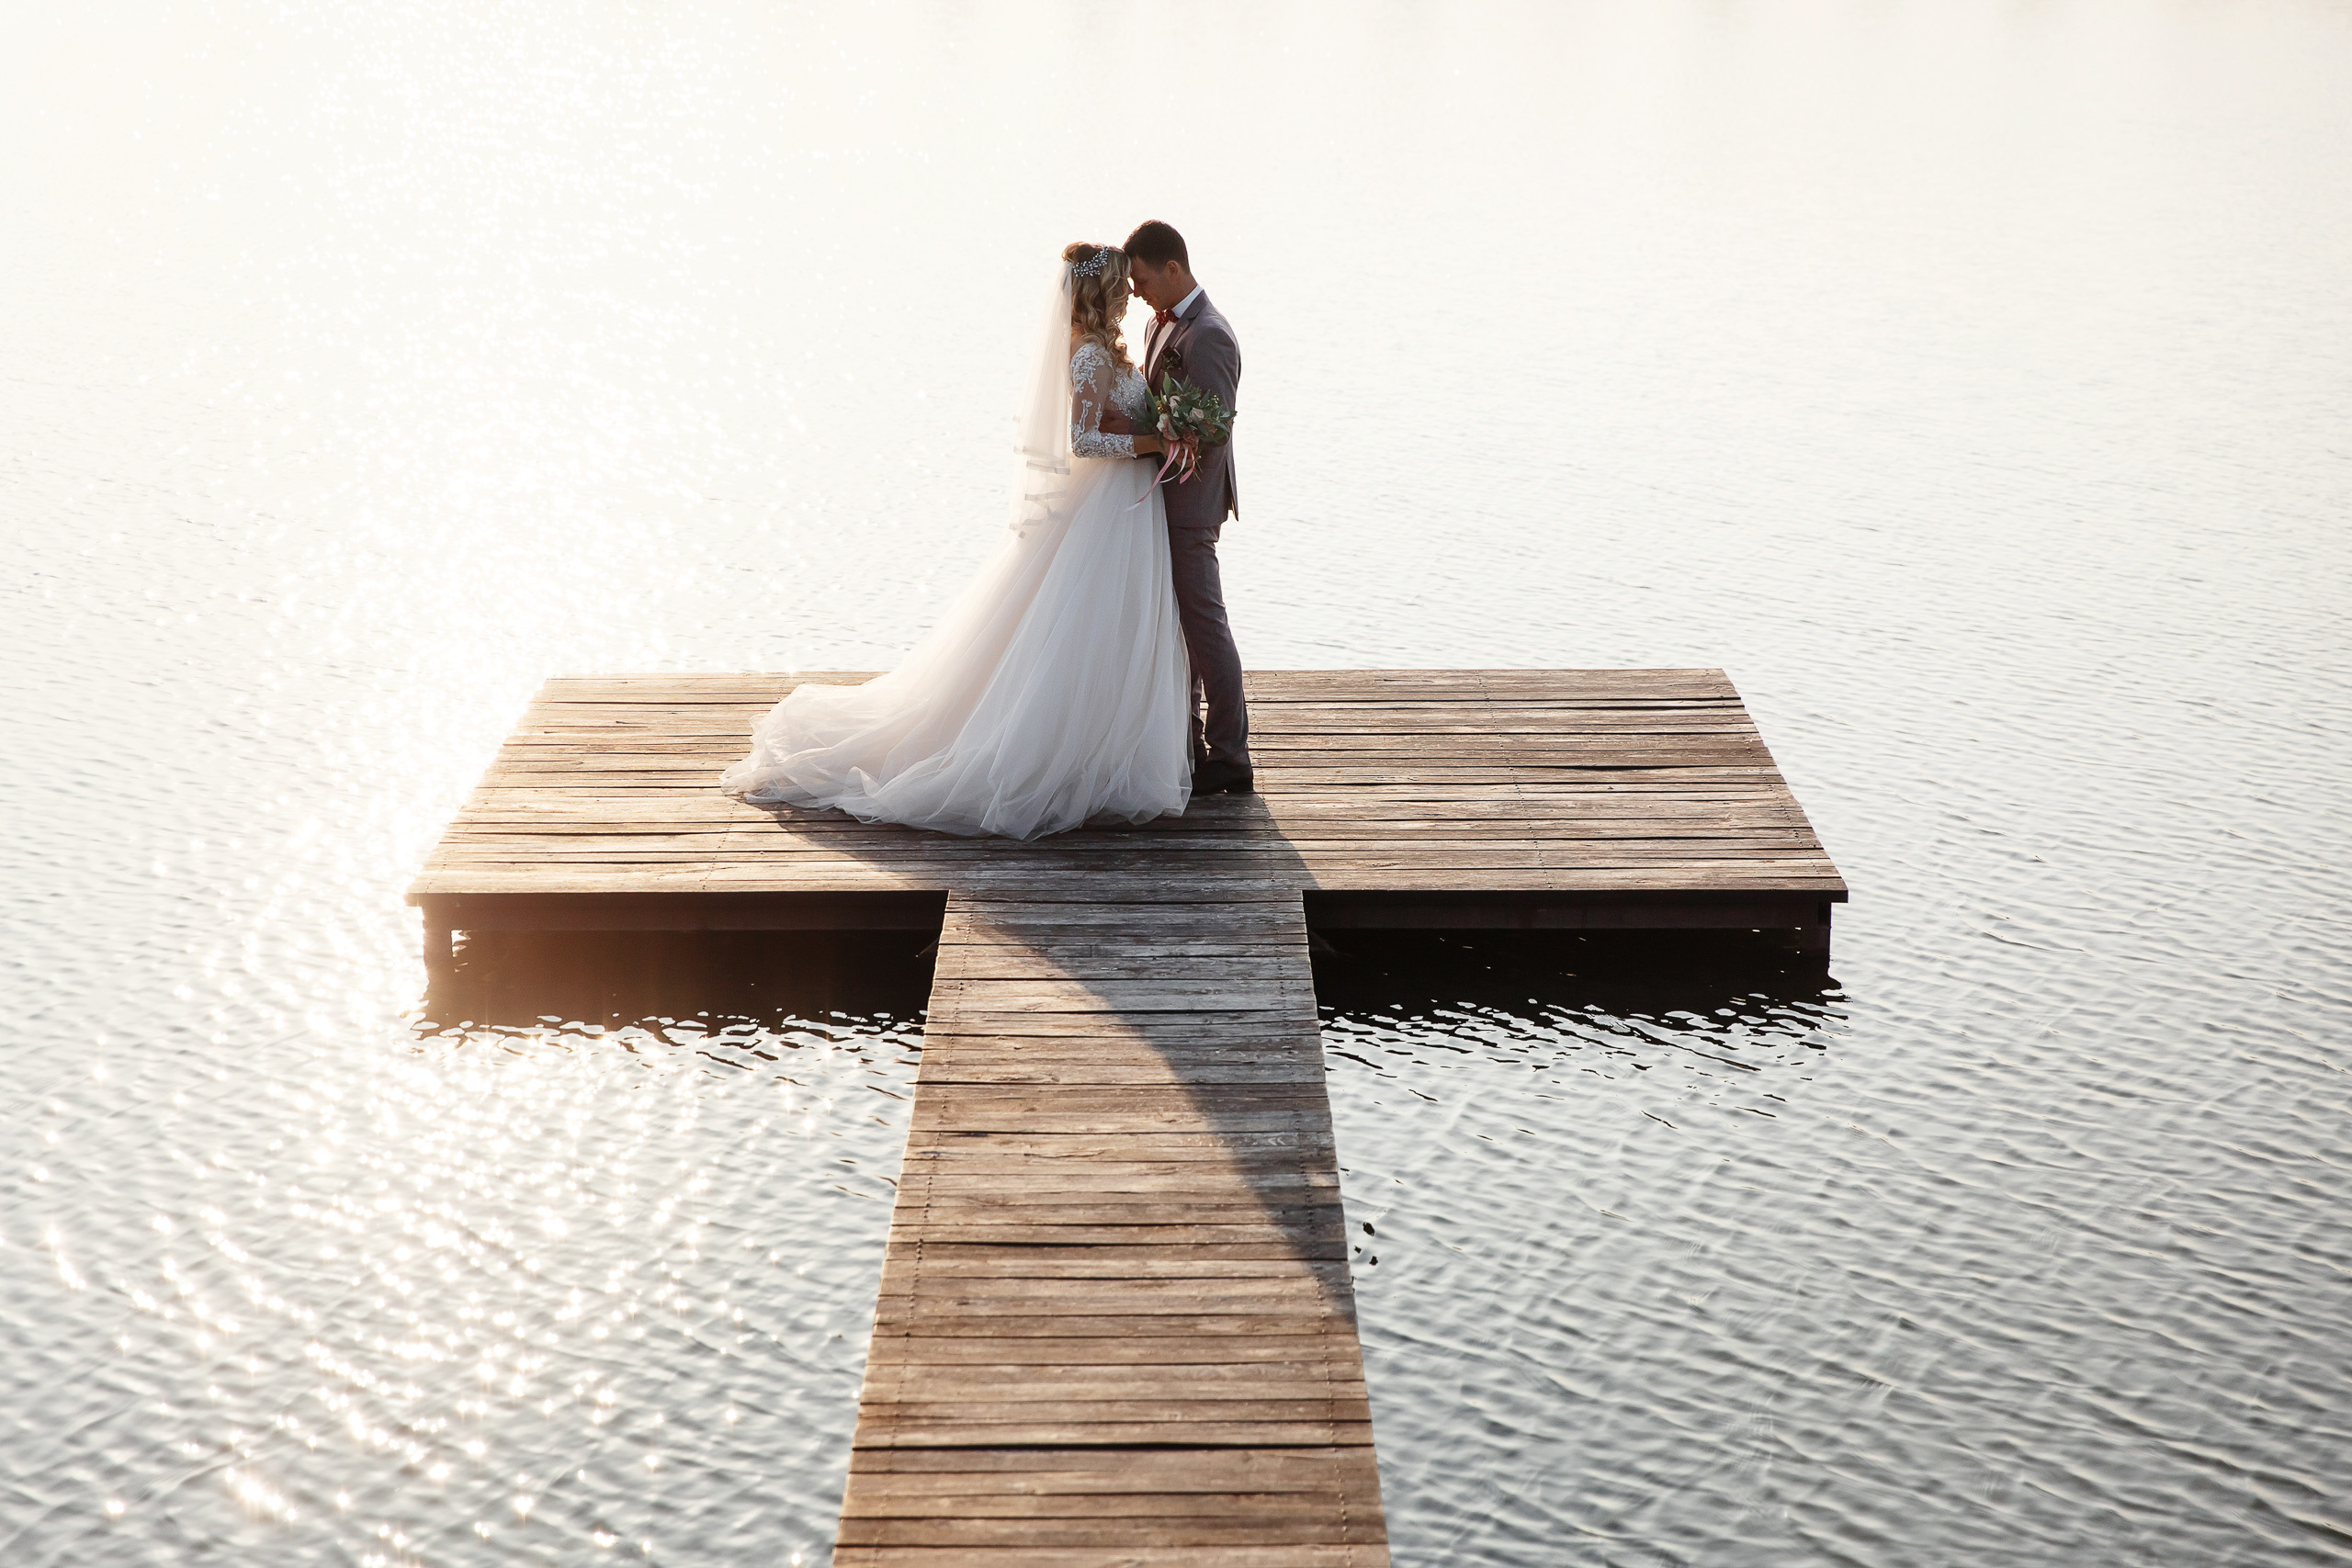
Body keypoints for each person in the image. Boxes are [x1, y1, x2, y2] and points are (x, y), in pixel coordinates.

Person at [718, 243, 1193, 840]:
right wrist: (1153, 443)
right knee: (1082, 633)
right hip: (1105, 514)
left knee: (1110, 632)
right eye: (1122, 286)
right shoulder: (1089, 357)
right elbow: (1083, 442)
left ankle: (1102, 757)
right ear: (1103, 294)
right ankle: (1065, 760)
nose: (1129, 293)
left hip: (1121, 513)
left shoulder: (1106, 351)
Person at [1120, 220, 1250, 795]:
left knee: (1205, 627)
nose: (1137, 292)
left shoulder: (1210, 336)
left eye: (1143, 280)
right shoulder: (1160, 323)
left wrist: (1159, 433)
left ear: (1173, 269)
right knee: (1181, 628)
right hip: (1161, 499)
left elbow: (1213, 429)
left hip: (1190, 504)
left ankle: (1230, 756)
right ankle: (1189, 745)